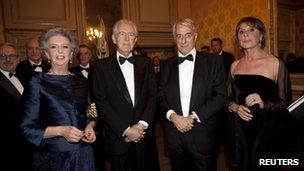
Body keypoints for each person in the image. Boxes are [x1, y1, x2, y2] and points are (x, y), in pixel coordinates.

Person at [227, 16, 302, 170]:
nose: (245, 34)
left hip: (266, 133)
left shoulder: (276, 64)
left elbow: (285, 104)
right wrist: (235, 107)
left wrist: (263, 103)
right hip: (239, 133)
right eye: (241, 31)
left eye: (251, 30)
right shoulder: (234, 66)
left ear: (261, 36)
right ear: (238, 38)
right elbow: (226, 99)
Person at [20, 27, 96, 171]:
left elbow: (91, 109)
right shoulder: (37, 82)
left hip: (84, 155)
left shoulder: (81, 80)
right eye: (54, 47)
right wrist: (61, 131)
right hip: (54, 158)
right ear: (46, 53)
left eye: (65, 47)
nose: (60, 51)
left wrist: (90, 126)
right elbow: (26, 129)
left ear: (72, 52)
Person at [159, 18, 227, 171]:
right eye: (179, 36)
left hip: (203, 134)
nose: (183, 41)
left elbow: (221, 96)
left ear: (195, 36)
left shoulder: (214, 61)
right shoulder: (166, 65)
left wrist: (193, 117)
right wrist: (173, 116)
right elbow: (160, 96)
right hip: (175, 135)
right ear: (174, 38)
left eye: (188, 35)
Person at [93, 19, 160, 171]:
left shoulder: (146, 63)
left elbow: (153, 96)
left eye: (131, 35)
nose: (127, 38)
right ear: (114, 38)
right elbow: (101, 102)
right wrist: (126, 130)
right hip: (117, 136)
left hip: (143, 135)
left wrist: (141, 125)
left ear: (135, 40)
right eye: (122, 34)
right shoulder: (101, 67)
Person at [0, 43, 34, 170]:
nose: (8, 59)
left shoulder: (24, 79)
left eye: (11, 56)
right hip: (8, 145)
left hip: (28, 143)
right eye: (3, 56)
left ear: (18, 58)